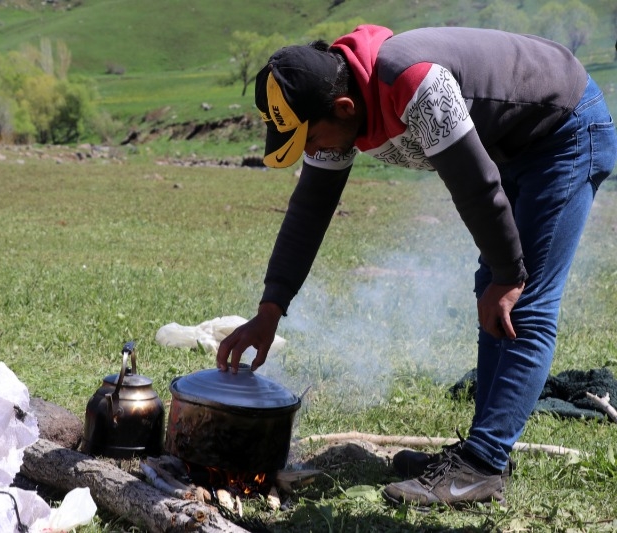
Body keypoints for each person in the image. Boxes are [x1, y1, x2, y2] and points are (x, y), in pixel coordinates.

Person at [215, 24, 617, 508]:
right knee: (491, 285)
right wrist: (270, 309)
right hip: (514, 144)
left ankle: (481, 465)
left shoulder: (416, 84)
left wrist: (511, 274)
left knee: (521, 299)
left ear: (344, 109)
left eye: (310, 139)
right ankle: (482, 455)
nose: (309, 152)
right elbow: (309, 210)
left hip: (566, 130)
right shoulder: (338, 98)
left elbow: (476, 186)